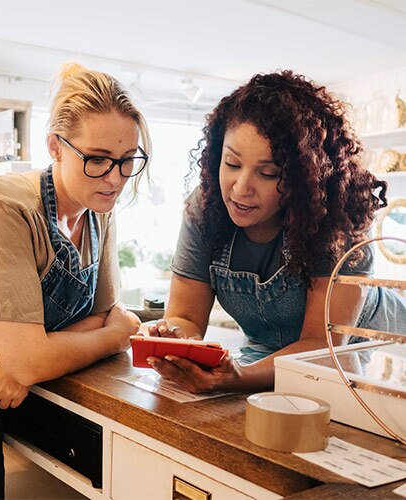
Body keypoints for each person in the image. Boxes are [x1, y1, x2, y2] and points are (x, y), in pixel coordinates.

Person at [0, 63, 150, 499]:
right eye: (97, 159)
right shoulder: (2, 207)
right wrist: (110, 339)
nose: (114, 178)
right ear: (55, 146)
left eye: (127, 160)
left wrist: (27, 360)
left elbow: (102, 315)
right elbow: (104, 329)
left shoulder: (99, 212)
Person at [146, 70, 406, 394]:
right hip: (269, 357)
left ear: (303, 178)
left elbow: (319, 345)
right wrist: (174, 340)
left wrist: (238, 378)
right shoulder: (205, 209)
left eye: (268, 173)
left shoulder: (339, 221)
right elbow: (185, 316)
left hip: (373, 354)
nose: (241, 189)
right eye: (232, 164)